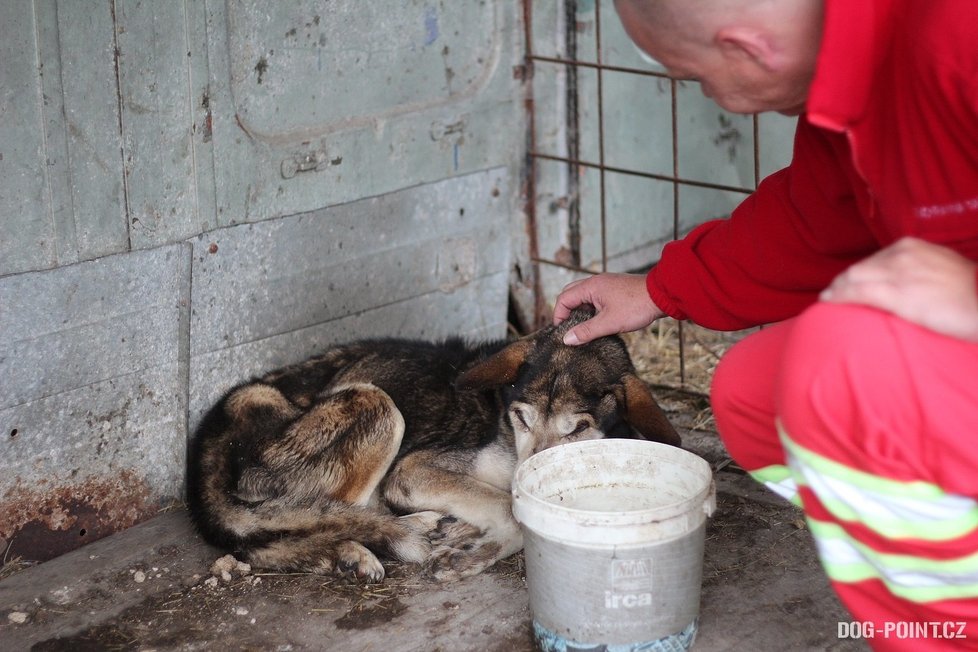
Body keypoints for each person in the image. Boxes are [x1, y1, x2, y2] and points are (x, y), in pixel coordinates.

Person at [553, 0, 978, 649]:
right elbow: (820, 215)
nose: (711, 97)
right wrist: (660, 289)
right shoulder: (860, 82)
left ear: (751, 50)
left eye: (697, 76)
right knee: (755, 392)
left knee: (846, 362)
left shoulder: (957, 34)